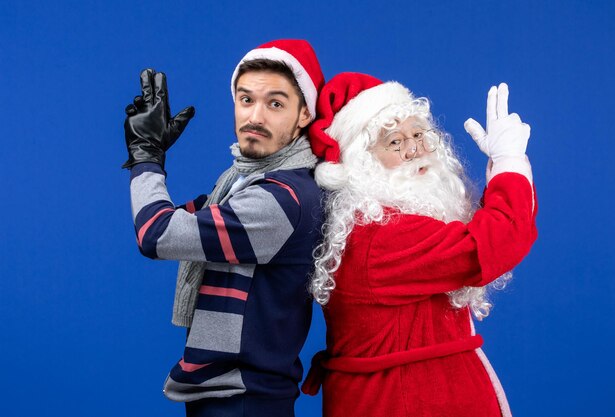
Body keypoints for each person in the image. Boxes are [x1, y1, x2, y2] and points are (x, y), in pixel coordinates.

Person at [301, 73, 537, 417]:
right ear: (361, 164)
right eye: (394, 142)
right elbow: (490, 243)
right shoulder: (381, 236)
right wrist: (509, 164)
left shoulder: (384, 224)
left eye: (418, 134)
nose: (415, 149)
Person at [122, 39, 325, 417]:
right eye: (246, 99)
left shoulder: (282, 199)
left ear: (304, 115)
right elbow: (182, 220)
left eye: (275, 103)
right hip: (230, 396)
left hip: (246, 401)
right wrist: (148, 159)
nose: (255, 117)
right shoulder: (240, 181)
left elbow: (157, 233)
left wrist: (146, 156)